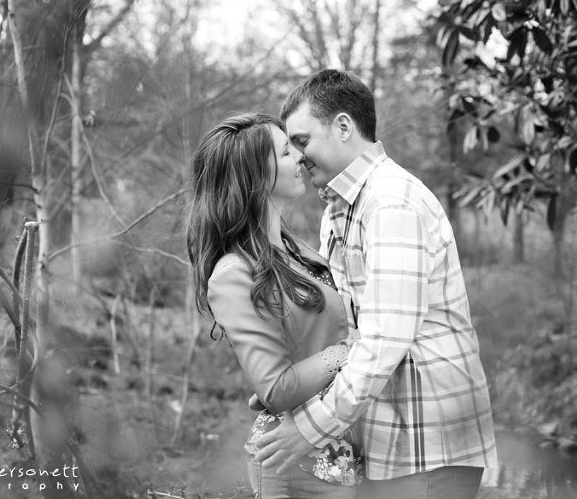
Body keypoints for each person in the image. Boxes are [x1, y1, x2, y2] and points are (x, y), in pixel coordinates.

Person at [253, 69, 499, 499]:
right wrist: (292, 390)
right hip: (388, 440)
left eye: (302, 141)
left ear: (344, 126)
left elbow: (384, 340)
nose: (296, 156)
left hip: (427, 443)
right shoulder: (340, 208)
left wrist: (308, 428)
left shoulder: (391, 202)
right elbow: (348, 332)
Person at [186, 113, 362, 498]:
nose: (300, 157)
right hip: (294, 465)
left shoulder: (296, 249)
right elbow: (276, 388)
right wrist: (348, 353)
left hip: (337, 448)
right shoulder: (233, 273)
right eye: (286, 152)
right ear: (256, 178)